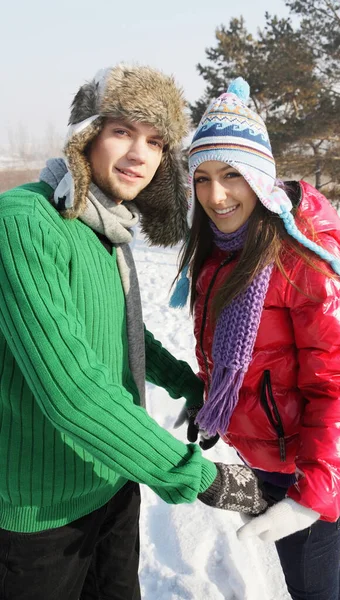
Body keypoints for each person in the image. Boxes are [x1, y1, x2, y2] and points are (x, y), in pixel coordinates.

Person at [0, 66, 268, 600]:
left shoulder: (108, 224)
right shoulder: (25, 222)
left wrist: (188, 385)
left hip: (115, 482)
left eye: (155, 141)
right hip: (41, 514)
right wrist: (198, 476)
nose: (139, 155)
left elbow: (122, 327)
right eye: (122, 131)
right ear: (87, 134)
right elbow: (71, 390)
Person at [171, 77, 340, 600]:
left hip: (309, 465)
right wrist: (211, 397)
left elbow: (339, 385)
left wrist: (313, 495)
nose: (216, 195)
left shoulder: (302, 263)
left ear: (260, 176)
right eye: (203, 178)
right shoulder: (219, 253)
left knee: (315, 587)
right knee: (304, 581)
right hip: (267, 459)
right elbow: (232, 352)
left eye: (232, 174)